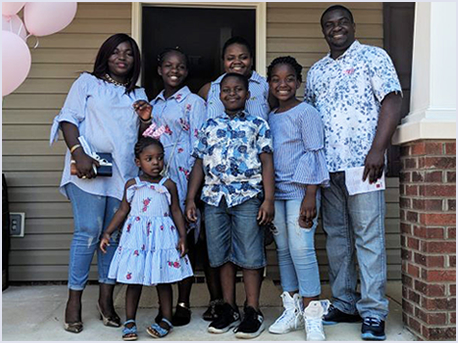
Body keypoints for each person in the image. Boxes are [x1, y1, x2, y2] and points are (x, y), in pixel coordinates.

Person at [305, 5, 402, 341]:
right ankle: (345, 302)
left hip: (364, 164)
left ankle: (373, 311)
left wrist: (378, 148)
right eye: (329, 24)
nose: (336, 28)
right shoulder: (316, 71)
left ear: (352, 25)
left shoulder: (374, 57)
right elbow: (311, 119)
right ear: (323, 30)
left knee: (369, 237)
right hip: (328, 169)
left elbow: (391, 100)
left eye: (342, 22)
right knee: (337, 238)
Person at [49, 33, 151, 334]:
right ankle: (74, 300)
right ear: (105, 55)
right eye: (116, 52)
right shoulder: (87, 83)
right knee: (88, 233)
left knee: (113, 237)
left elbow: (144, 138)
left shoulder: (138, 93)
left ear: (135, 61)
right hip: (87, 172)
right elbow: (68, 118)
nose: (122, 57)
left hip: (121, 175)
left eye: (129, 53)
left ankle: (106, 300)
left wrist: (145, 119)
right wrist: (77, 152)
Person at [186, 73, 275, 339]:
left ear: (248, 95)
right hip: (214, 199)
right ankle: (228, 307)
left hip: (247, 197)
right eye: (226, 90)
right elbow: (199, 164)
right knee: (220, 254)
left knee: (249, 254)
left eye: (238, 89)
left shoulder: (258, 124)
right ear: (218, 95)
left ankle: (252, 309)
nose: (232, 93)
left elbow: (267, 162)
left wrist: (268, 199)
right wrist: (191, 198)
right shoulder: (209, 126)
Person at [134, 48, 206, 326]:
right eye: (168, 65)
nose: (174, 70)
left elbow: (200, 149)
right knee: (165, 239)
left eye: (180, 66)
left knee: (185, 238)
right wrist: (146, 120)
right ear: (160, 70)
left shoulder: (193, 103)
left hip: (186, 179)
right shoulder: (156, 104)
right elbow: (149, 142)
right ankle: (165, 302)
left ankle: (183, 301)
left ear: (186, 71)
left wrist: (192, 194)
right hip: (158, 182)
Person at [100, 136, 193, 340]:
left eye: (159, 158)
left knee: (164, 279)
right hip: (137, 239)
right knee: (134, 280)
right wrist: (108, 232)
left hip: (162, 238)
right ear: (138, 162)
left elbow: (176, 210)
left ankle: (166, 319)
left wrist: (182, 236)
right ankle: (130, 320)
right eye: (149, 158)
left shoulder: (168, 184)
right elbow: (123, 210)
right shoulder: (132, 185)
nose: (155, 163)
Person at [266, 56, 330, 341]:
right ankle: (292, 309)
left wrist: (310, 195)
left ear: (298, 82)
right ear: (269, 84)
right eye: (276, 79)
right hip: (276, 192)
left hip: (301, 192)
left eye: (289, 78)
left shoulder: (307, 112)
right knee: (283, 251)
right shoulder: (271, 116)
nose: (283, 84)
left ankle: (312, 312)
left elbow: (314, 153)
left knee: (302, 249)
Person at [198, 36, 270, 120]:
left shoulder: (265, 86)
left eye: (243, 57)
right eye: (230, 58)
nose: (237, 62)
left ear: (251, 59)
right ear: (223, 61)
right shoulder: (209, 89)